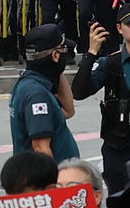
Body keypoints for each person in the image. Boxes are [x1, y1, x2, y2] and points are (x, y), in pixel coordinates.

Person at [72, 3, 130, 195]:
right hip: (117, 148)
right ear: (119, 28)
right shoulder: (109, 63)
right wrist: (91, 53)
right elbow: (79, 91)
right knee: (121, 204)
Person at [7, 23, 79, 163]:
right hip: (48, 180)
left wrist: (56, 69)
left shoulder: (32, 84)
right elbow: (41, 148)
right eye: (63, 49)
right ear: (55, 55)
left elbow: (68, 110)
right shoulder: (37, 94)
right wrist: (53, 183)